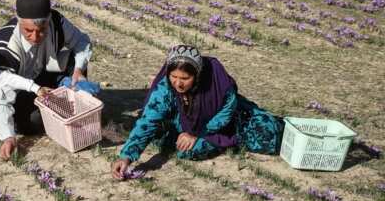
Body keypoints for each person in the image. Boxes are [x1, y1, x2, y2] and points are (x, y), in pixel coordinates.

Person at [111, 45, 284, 179]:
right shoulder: (165, 90)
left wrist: (197, 134)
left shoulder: (217, 83)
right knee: (178, 145)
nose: (178, 84)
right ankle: (178, 136)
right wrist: (126, 157)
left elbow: (225, 114)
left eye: (185, 78)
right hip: (180, 123)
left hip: (221, 123)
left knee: (270, 133)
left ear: (198, 75)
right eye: (174, 77)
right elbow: (147, 122)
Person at [0, 0, 93, 160]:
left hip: (41, 74)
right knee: (32, 122)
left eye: (42, 30)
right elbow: (3, 95)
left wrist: (78, 70)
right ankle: (59, 107)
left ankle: (68, 107)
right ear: (18, 21)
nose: (35, 37)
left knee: (75, 61)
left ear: (49, 20)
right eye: (28, 31)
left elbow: (82, 41)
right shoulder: (5, 49)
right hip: (18, 89)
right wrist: (8, 137)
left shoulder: (57, 21)